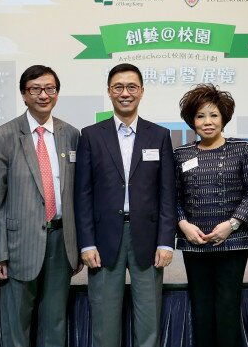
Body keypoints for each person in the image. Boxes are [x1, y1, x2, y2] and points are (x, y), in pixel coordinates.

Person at [74, 63, 177, 347]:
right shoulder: (91, 135)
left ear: (142, 91)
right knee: (104, 322)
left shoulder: (159, 135)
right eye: (118, 87)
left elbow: (167, 193)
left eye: (132, 87)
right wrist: (86, 244)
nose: (125, 93)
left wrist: (166, 242)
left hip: (147, 238)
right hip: (104, 239)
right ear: (109, 92)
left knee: (149, 323)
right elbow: (82, 195)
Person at [0, 65, 81, 347]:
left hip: (61, 242)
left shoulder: (71, 134)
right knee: (17, 324)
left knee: (55, 322)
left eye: (50, 89)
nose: (43, 95)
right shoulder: (4, 135)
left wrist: (77, 246)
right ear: (24, 95)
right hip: (19, 246)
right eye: (35, 89)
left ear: (57, 93)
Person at [173, 84, 248, 347]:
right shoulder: (181, 154)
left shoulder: (241, 148)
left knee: (227, 308)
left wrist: (232, 224)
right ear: (192, 120)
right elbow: (174, 198)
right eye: (200, 116)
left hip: (232, 242)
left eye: (213, 115)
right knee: (200, 309)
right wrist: (183, 224)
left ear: (224, 117)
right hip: (194, 242)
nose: (207, 122)